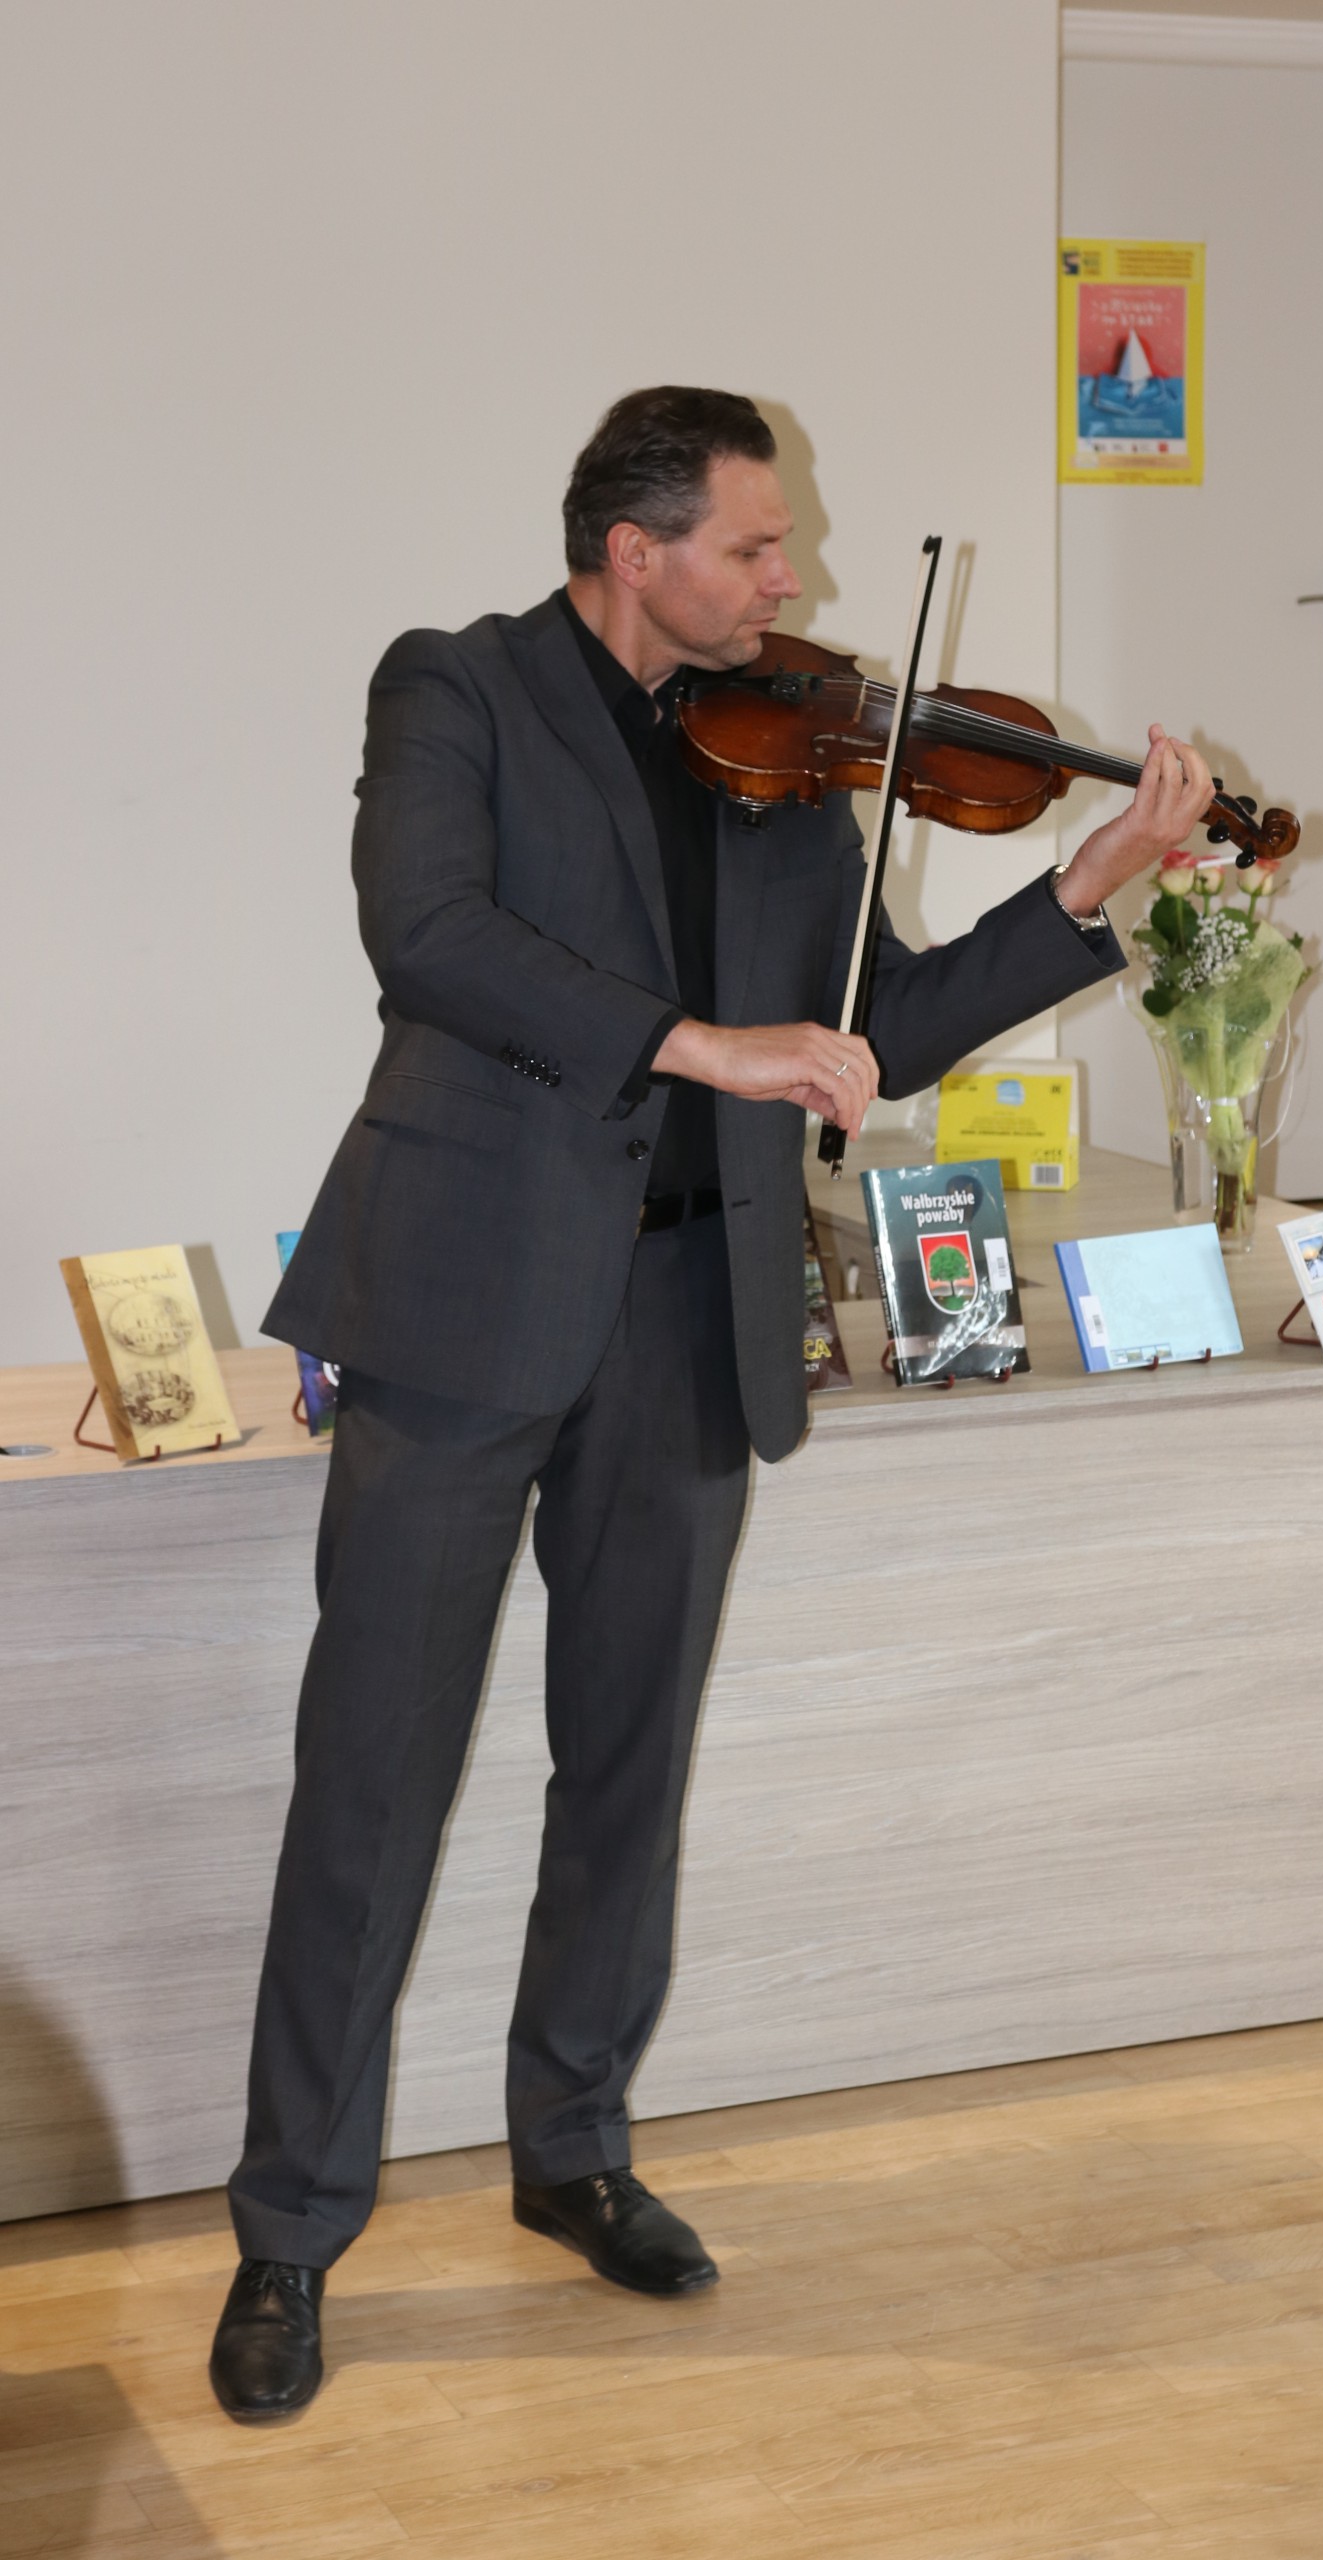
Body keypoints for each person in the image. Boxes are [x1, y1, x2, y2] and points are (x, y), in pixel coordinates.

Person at [209, 386, 1214, 2422]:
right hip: (464, 1303)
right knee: (371, 1777)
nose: (790, 578)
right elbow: (431, 939)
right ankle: (290, 2231)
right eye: (756, 546)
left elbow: (872, 1029)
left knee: (626, 1764)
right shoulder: (458, 689)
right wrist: (699, 1042)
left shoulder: (783, 754)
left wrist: (1088, 882)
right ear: (633, 549)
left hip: (687, 1314)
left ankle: (571, 2145)